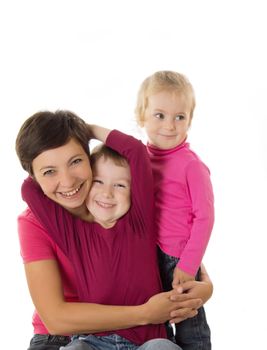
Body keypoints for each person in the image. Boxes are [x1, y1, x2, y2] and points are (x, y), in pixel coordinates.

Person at [16, 110, 213, 350]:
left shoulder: (137, 219)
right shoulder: (54, 224)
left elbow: (177, 264)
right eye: (49, 171)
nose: (67, 181)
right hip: (64, 335)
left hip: (145, 336)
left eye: (76, 161)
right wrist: (146, 313)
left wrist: (202, 289)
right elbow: (56, 319)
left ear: (89, 159)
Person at [135, 71, 214, 350]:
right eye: (159, 115)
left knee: (188, 319)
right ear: (140, 115)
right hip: (147, 251)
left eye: (179, 117)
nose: (169, 125)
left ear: (189, 121)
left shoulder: (191, 165)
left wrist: (188, 264)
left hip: (177, 257)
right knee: (157, 319)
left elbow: (204, 218)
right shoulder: (139, 158)